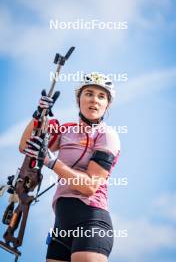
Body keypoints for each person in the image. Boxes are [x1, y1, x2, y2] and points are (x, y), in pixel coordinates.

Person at [19, 72, 120, 262]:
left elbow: (89, 186)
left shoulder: (107, 135)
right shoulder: (66, 130)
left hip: (91, 223)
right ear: (78, 99)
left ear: (108, 104)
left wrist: (50, 162)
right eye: (89, 93)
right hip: (61, 227)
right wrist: (38, 115)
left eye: (101, 96)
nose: (95, 100)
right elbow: (25, 146)